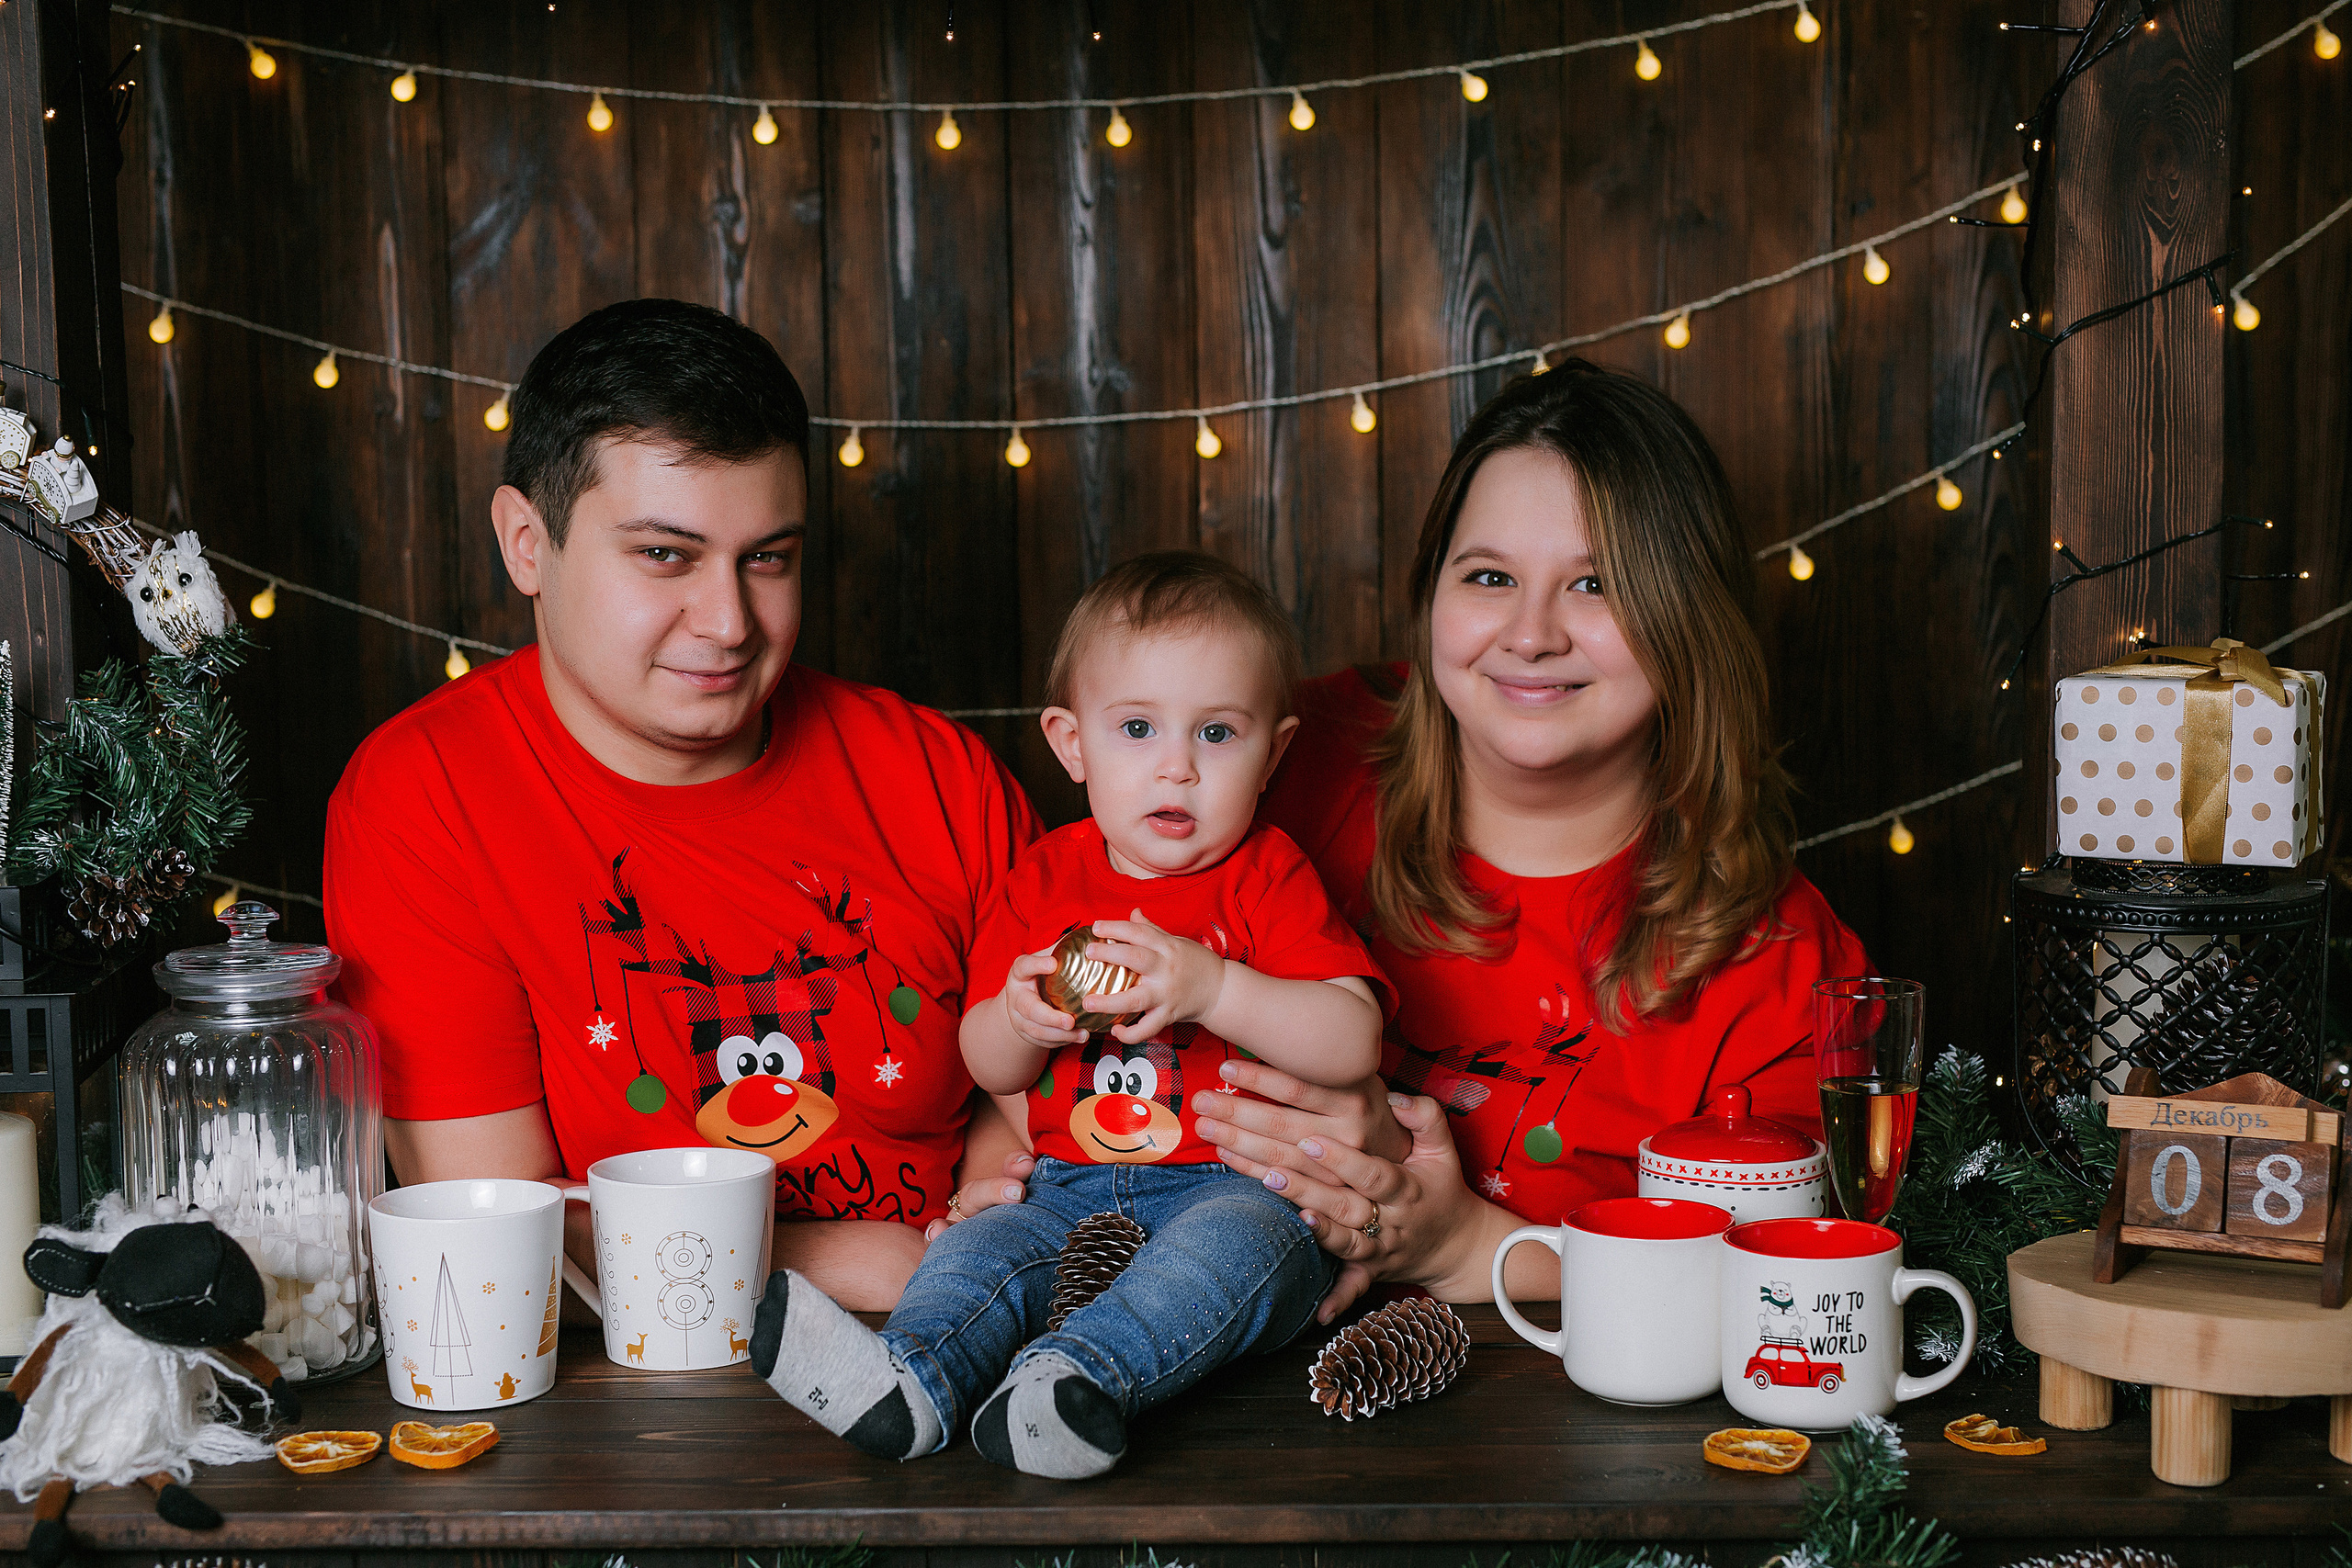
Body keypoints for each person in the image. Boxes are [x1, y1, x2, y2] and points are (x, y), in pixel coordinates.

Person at [322, 299, 1040, 1311]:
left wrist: (996, 1201)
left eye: (768, 559)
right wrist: (884, 1264)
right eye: (665, 554)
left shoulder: (938, 775)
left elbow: (1064, 1093)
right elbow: (493, 1231)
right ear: (527, 543)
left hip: (983, 1339)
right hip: (631, 1401)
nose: (730, 621)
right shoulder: (425, 797)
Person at [1194, 360, 1870, 1318]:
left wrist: (1467, 1242)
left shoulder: (1781, 969)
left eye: (1594, 583)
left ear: (1689, 617)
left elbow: (1771, 1284)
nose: (1529, 633)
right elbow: (1081, 933)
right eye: (1489, 576)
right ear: (1433, 592)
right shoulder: (1277, 764)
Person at [749, 552, 1391, 1479]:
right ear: (1071, 742)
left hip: (1236, 1185)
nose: (1176, 766)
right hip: (1062, 1189)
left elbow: (1351, 1038)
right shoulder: (1045, 879)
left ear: (1274, 753)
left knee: (1233, 1256)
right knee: (979, 1250)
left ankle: (1073, 1381)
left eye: (1217, 733)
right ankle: (908, 1382)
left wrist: (1217, 989)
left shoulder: (1268, 876)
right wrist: (1021, 1019)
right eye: (1136, 728)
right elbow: (987, 1063)